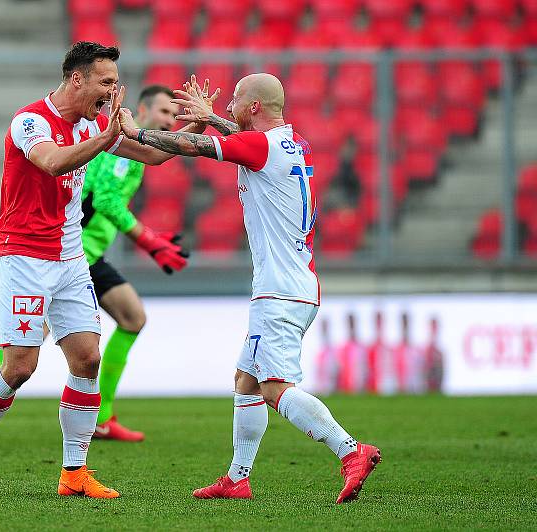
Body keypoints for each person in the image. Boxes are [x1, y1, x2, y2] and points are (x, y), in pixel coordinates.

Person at [0, 42, 205, 498]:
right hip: (22, 257)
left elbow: (154, 155)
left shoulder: (96, 122)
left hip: (71, 256)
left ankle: (74, 474)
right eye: (106, 82)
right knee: (20, 367)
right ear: (77, 79)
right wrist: (105, 138)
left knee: (87, 358)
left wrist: (197, 123)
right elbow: (54, 162)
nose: (112, 91)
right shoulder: (31, 121)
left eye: (116, 83)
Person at [118, 73, 381, 503]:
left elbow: (189, 146)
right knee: (247, 380)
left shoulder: (259, 147)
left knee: (275, 387)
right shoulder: (294, 143)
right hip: (298, 282)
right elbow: (242, 139)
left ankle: (351, 451)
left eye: (236, 100)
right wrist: (212, 120)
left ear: (254, 106)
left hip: (279, 291)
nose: (229, 108)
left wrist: (137, 132)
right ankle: (237, 478)